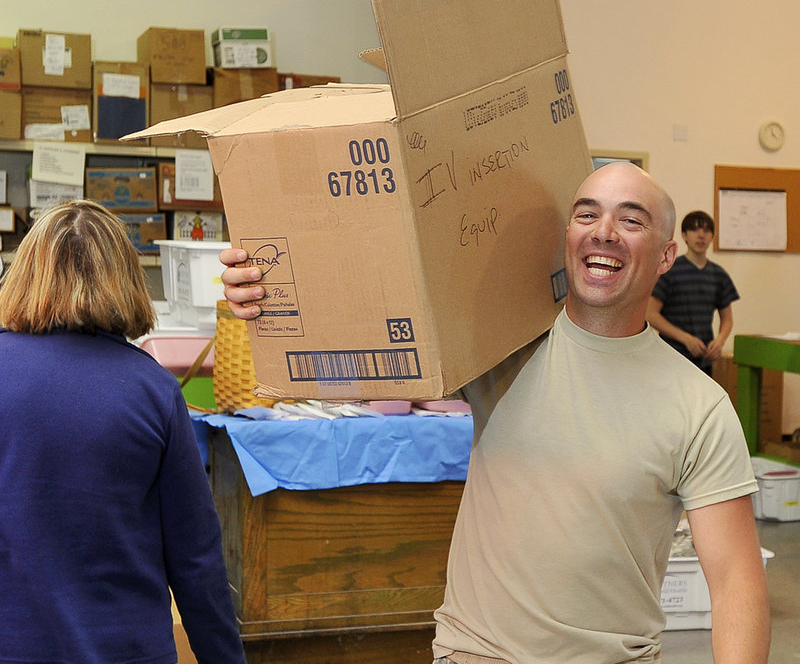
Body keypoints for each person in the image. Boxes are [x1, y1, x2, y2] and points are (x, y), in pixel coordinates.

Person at [218, 162, 770, 663]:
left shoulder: (699, 406)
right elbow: (347, 356)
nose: (603, 231)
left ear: (667, 255)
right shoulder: (498, 348)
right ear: (568, 237)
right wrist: (269, 301)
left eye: (632, 220)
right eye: (586, 214)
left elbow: (736, 583)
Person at [0, 200, 245, 664]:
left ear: (25, 273)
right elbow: (196, 562)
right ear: (126, 280)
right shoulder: (154, 390)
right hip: (122, 650)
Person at [646, 210, 739, 375]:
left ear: (712, 236)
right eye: (695, 229)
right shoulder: (669, 270)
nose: (701, 235)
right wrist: (685, 338)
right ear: (684, 235)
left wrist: (719, 342)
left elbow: (727, 318)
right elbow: (650, 314)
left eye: (706, 230)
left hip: (704, 360)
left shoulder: (718, 274)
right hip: (670, 356)